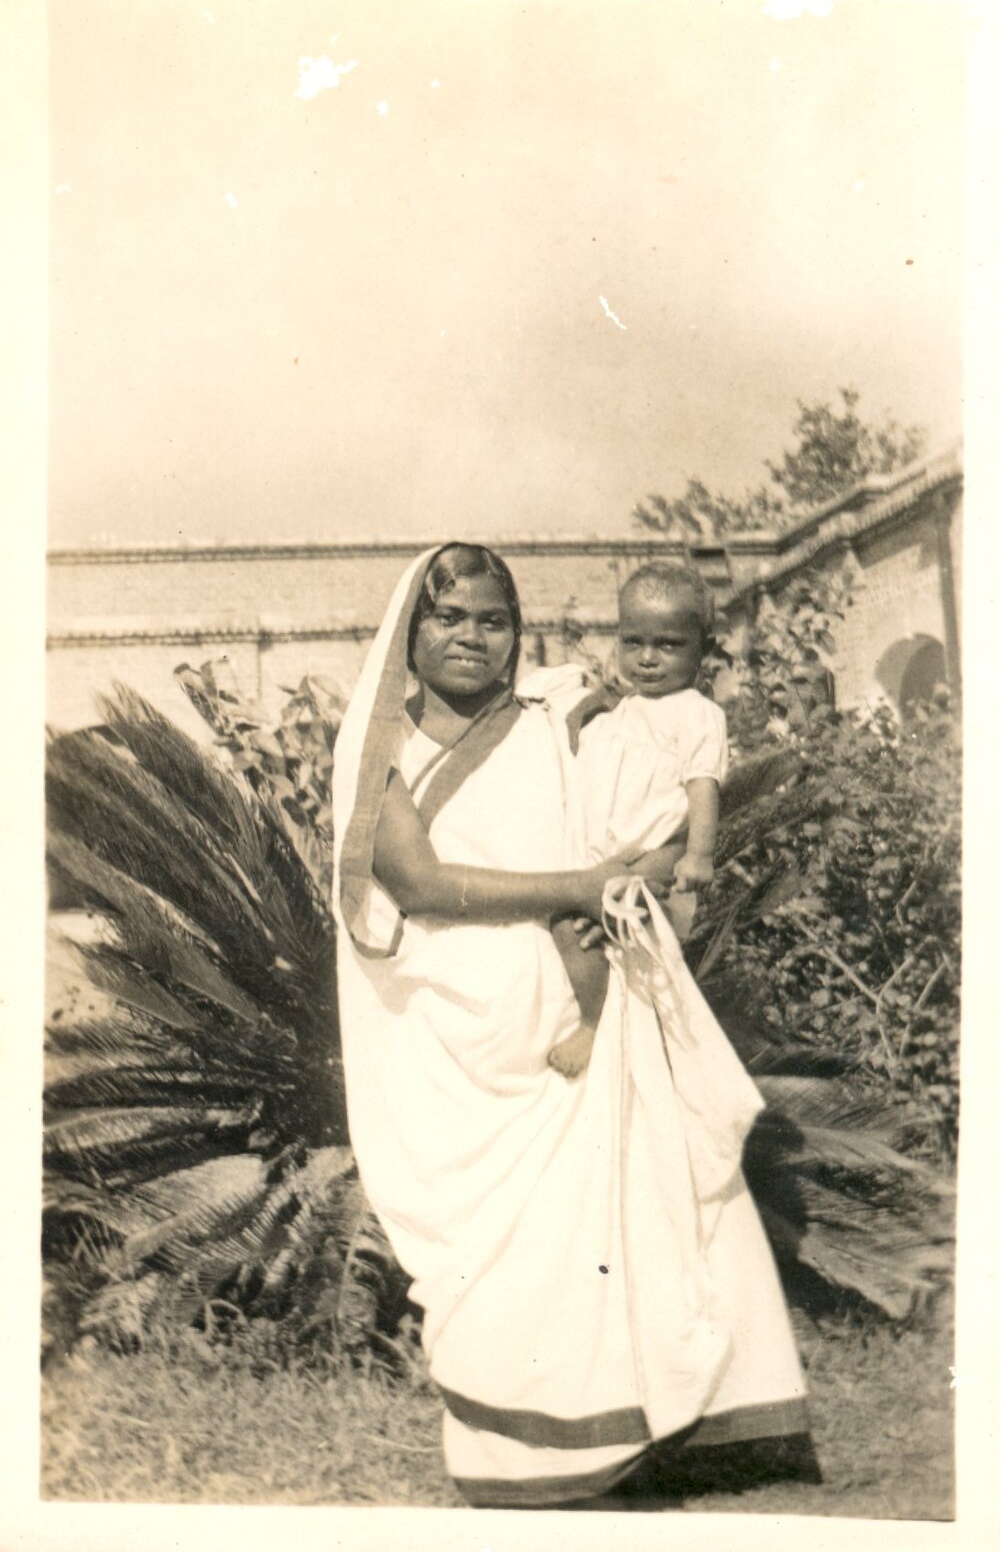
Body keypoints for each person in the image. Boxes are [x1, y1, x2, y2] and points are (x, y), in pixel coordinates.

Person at [332, 542, 813, 1509]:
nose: (472, 637)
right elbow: (417, 881)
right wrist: (579, 884)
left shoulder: (564, 721)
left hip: (579, 1018)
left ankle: (665, 1432)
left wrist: (640, 873)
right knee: (487, 1256)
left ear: (520, 634)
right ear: (409, 631)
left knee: (621, 1216)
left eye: (493, 620)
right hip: (449, 1042)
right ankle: (523, 1453)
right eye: (450, 617)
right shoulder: (373, 744)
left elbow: (672, 806)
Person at [546, 562, 727, 1080]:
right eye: (633, 642)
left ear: (704, 652)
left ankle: (596, 1022)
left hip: (650, 854)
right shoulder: (619, 711)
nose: (647, 659)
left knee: (616, 928)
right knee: (568, 925)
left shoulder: (698, 713)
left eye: (668, 645)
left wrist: (699, 854)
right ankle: (595, 1014)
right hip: (595, 850)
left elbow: (702, 784)